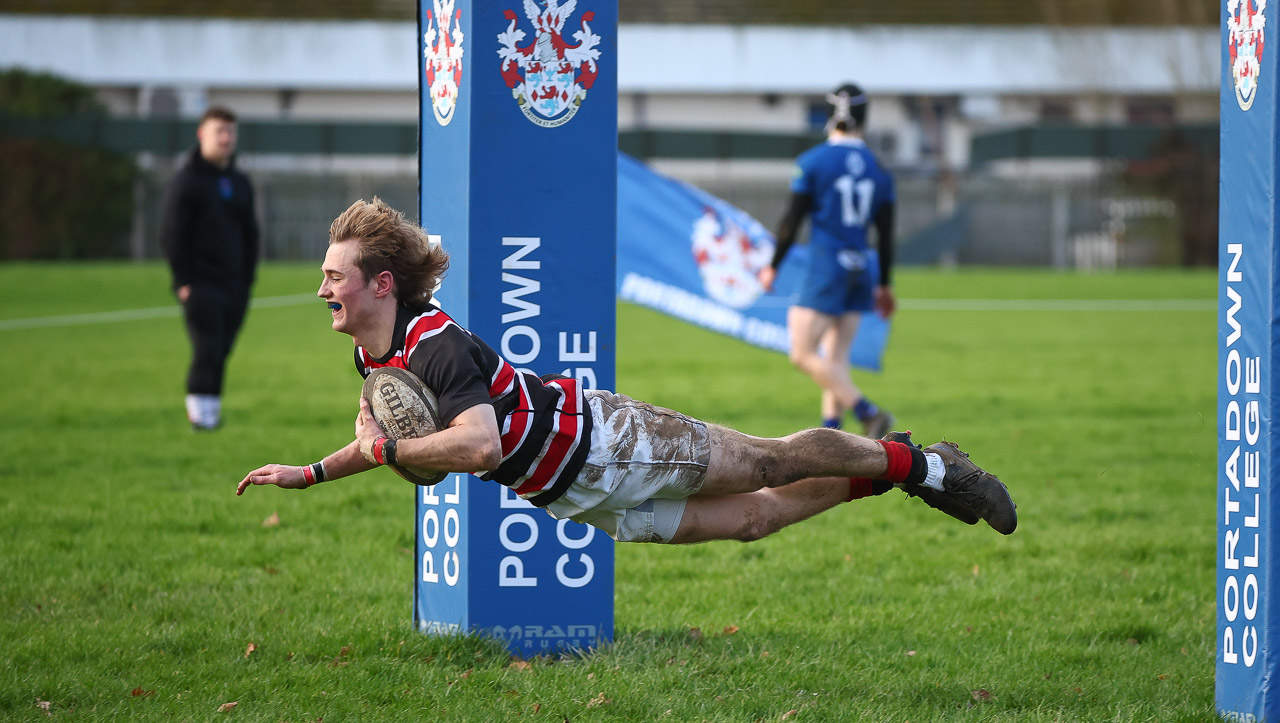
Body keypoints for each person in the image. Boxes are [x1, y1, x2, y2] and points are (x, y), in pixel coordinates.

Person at [236, 198, 1016, 543]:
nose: (321, 287)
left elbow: (474, 447)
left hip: (606, 442)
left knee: (769, 460)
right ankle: (895, 470)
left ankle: (930, 467)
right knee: (754, 521)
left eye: (334, 275)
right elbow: (393, 439)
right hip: (572, 494)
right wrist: (310, 472)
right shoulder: (372, 353)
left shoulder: (432, 340)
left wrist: (383, 452)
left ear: (380, 284)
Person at [758, 83, 897, 437]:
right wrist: (884, 285)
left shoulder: (813, 162)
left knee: (802, 354)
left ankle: (869, 412)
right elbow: (886, 234)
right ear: (865, 118)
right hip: (861, 268)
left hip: (827, 265)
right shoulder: (878, 169)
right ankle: (832, 439)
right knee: (835, 362)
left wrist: (773, 263)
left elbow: (792, 220)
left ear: (828, 116)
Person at [161, 105, 260, 430]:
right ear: (202, 134)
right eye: (219, 131)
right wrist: (184, 280)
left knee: (222, 349)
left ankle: (211, 414)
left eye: (230, 132)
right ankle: (200, 417)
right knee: (207, 347)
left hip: (235, 285)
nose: (226, 138)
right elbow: (172, 233)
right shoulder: (187, 181)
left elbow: (250, 233)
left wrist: (247, 279)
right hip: (201, 282)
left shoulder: (239, 181)